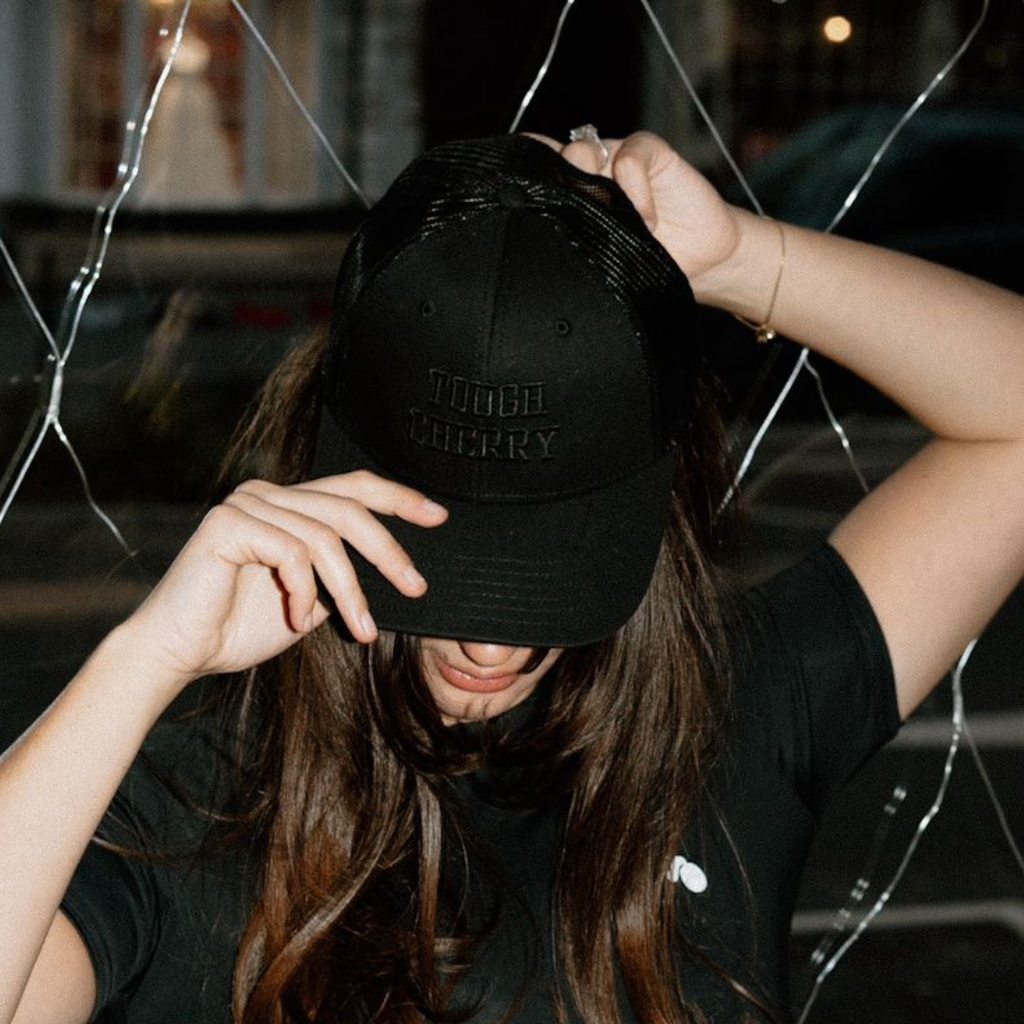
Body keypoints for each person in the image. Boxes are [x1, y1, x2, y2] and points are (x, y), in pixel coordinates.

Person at [2, 129, 1023, 1024]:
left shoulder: (733, 714)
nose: (491, 646)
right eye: (443, 568)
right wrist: (141, 660)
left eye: (546, 566)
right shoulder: (190, 809)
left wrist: (734, 261)